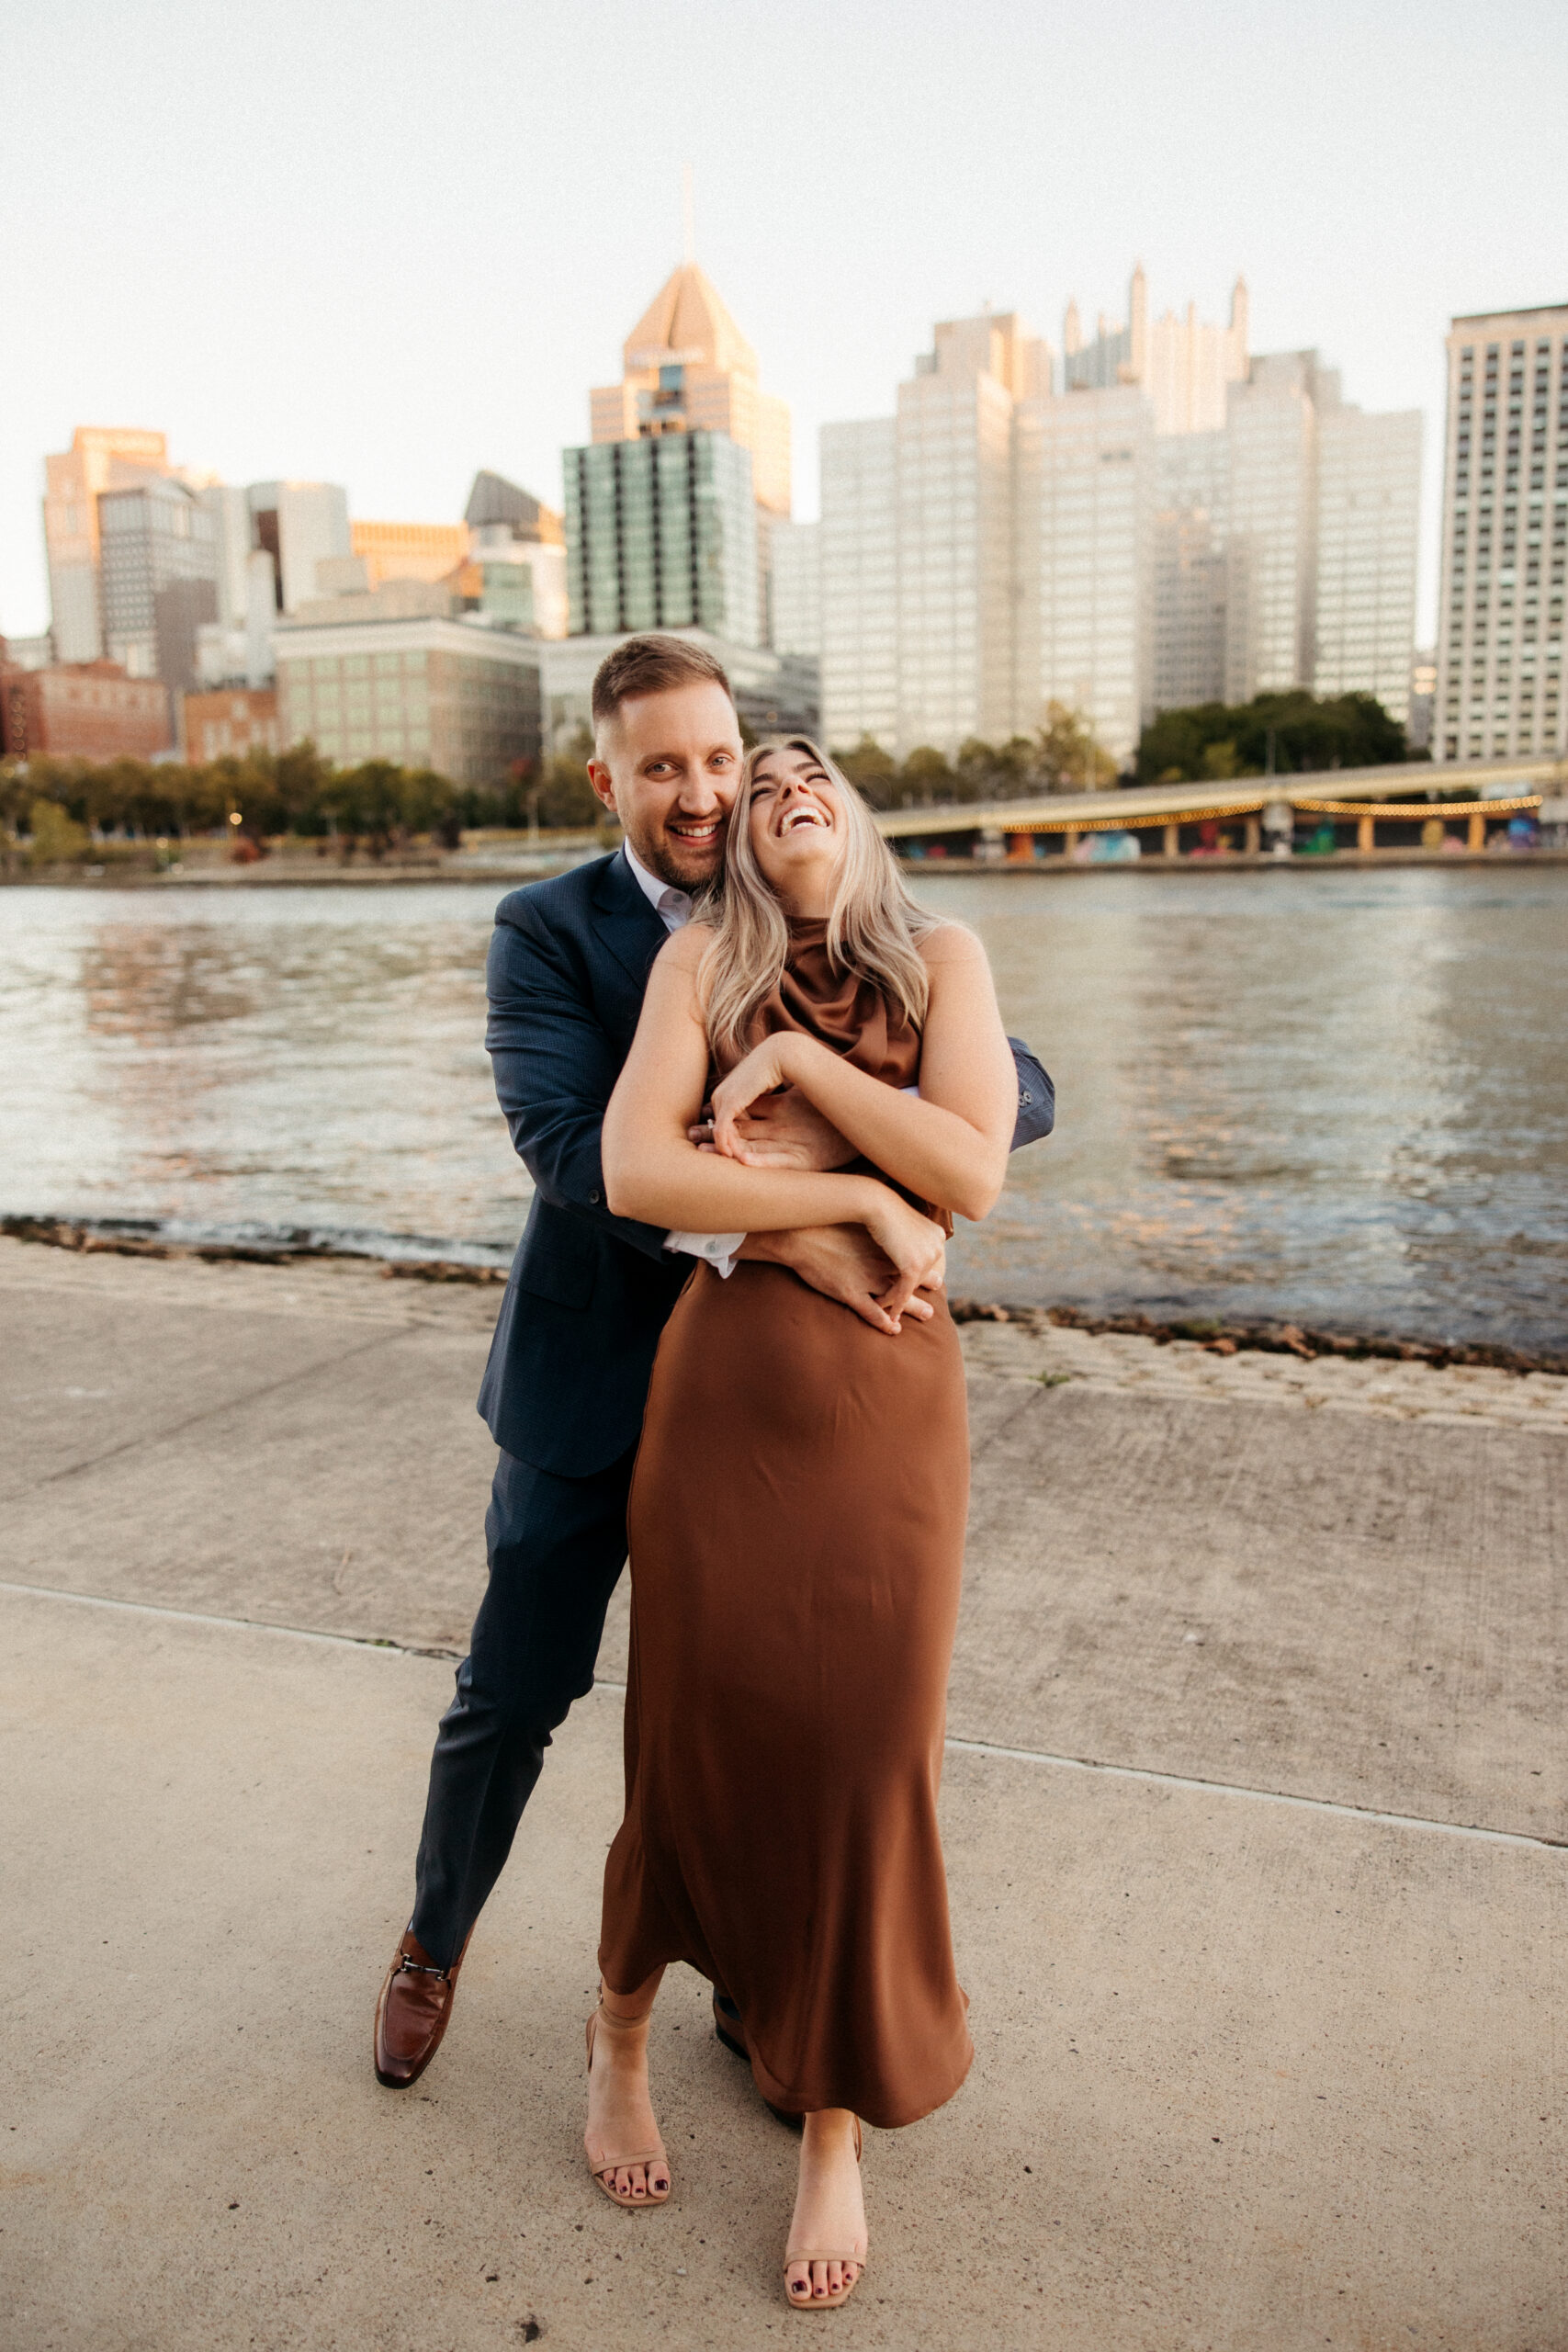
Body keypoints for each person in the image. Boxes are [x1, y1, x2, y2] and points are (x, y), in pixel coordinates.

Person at [372, 635, 1054, 2104]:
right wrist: (808, 1224)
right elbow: (574, 1155)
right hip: (595, 1380)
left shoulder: (837, 899)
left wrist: (820, 1143)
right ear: (606, 775)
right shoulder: (548, 929)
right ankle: (436, 1937)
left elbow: (1022, 1091)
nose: (700, 791)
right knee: (519, 1689)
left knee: (768, 1704)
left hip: (774, 1415)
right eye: (664, 765)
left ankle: (759, 1986)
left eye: (720, 758)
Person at [583, 732, 1021, 2310]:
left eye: (808, 771)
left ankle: (831, 2122)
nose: (785, 791)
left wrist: (800, 1081)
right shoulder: (700, 959)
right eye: (757, 790)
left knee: (865, 1755)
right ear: (740, 846)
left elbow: (971, 1165)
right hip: (723, 1422)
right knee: (691, 1740)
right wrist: (849, 1208)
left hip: (890, 1426)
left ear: (861, 813)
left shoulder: (942, 956)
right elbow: (643, 1173)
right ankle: (620, 2030)